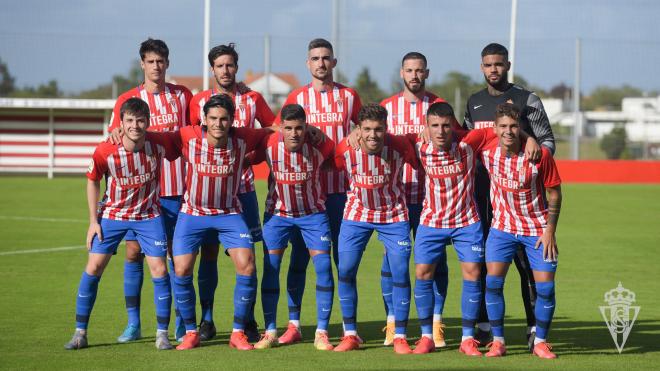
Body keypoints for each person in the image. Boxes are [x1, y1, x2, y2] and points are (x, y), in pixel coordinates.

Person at [407, 102, 540, 355]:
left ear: (454, 126)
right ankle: (427, 337)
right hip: (431, 221)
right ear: (426, 126)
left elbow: (503, 129)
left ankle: (468, 338)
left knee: (472, 274)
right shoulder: (416, 144)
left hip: (466, 221)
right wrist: (355, 134)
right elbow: (385, 139)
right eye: (434, 125)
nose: (441, 131)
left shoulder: (470, 140)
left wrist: (528, 137)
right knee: (423, 273)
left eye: (446, 125)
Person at [65, 98, 179, 350]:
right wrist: (93, 221)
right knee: (93, 267)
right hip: (113, 215)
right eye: (129, 120)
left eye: (140, 120)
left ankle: (162, 334)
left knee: (160, 270)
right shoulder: (105, 150)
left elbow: (188, 142)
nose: (135, 126)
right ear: (121, 123)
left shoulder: (159, 143)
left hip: (148, 216)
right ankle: (80, 333)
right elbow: (93, 180)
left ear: (148, 123)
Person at [463, 42, 555, 348]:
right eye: (488, 65)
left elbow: (548, 142)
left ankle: (533, 328)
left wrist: (535, 145)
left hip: (524, 201)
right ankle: (486, 326)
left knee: (527, 267)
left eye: (499, 64)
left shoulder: (527, 99)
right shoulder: (474, 102)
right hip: (484, 196)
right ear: (481, 67)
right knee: (486, 265)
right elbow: (468, 142)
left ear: (507, 65)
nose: (494, 70)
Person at [273, 38, 362, 345]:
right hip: (305, 197)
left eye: (326, 58)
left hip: (341, 192)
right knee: (299, 260)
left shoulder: (349, 96)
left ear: (333, 62)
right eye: (315, 58)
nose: (321, 63)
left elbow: (362, 129)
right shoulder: (297, 96)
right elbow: (278, 131)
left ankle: (347, 326)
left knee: (342, 262)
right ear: (307, 64)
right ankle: (294, 324)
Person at [171, 94, 272, 351]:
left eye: (224, 119)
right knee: (181, 269)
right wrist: (117, 133)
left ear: (232, 121)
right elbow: (152, 138)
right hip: (192, 213)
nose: (218, 123)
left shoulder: (243, 138)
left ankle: (238, 332)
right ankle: (191, 331)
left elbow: (272, 131)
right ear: (204, 119)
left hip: (228, 213)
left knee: (247, 265)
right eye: (213, 118)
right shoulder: (187, 136)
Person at [188, 43, 275, 342]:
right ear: (212, 69)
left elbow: (272, 132)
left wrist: (249, 160)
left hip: (244, 191)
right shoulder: (199, 101)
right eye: (219, 66)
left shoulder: (253, 99)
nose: (225, 70)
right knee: (208, 254)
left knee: (249, 255)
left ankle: (248, 319)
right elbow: (190, 140)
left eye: (230, 65)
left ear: (237, 67)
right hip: (208, 196)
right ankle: (207, 319)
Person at [107, 38, 192, 343]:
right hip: (139, 195)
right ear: (142, 64)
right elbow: (115, 135)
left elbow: (195, 131)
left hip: (176, 189)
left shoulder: (183, 96)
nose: (156, 66)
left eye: (161, 61)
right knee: (132, 254)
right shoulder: (128, 99)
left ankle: (182, 322)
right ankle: (133, 324)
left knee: (175, 257)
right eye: (151, 61)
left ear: (167, 63)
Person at [379, 52, 450, 348]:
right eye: (409, 70)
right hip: (394, 197)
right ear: (401, 73)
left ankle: (436, 323)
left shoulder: (439, 107)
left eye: (419, 70)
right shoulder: (387, 108)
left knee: (436, 262)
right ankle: (393, 321)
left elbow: (456, 138)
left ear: (427, 73)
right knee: (392, 262)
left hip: (432, 199)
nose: (414, 75)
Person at [479, 103, 562, 359]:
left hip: (536, 230)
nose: (508, 131)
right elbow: (451, 134)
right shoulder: (485, 148)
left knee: (545, 288)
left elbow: (555, 192)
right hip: (501, 228)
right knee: (493, 284)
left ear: (521, 128)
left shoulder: (540, 156)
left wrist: (550, 229)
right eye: (503, 126)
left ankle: (540, 341)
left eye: (514, 126)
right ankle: (498, 341)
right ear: (494, 128)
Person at [333, 104, 416, 354]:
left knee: (401, 271)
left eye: (378, 129)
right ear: (358, 130)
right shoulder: (344, 148)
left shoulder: (400, 146)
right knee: (345, 270)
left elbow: (422, 154)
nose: (372, 135)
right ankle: (350, 334)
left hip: (393, 214)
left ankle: (399, 335)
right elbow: (327, 158)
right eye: (367, 129)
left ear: (386, 129)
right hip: (357, 213)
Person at [251, 104, 336, 351]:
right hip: (277, 216)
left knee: (322, 268)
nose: (294, 134)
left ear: (306, 127)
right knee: (271, 268)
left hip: (313, 215)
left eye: (299, 128)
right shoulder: (268, 144)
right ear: (281, 128)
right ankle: (270, 331)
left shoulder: (320, 144)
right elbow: (244, 150)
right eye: (288, 128)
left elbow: (339, 154)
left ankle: (321, 332)